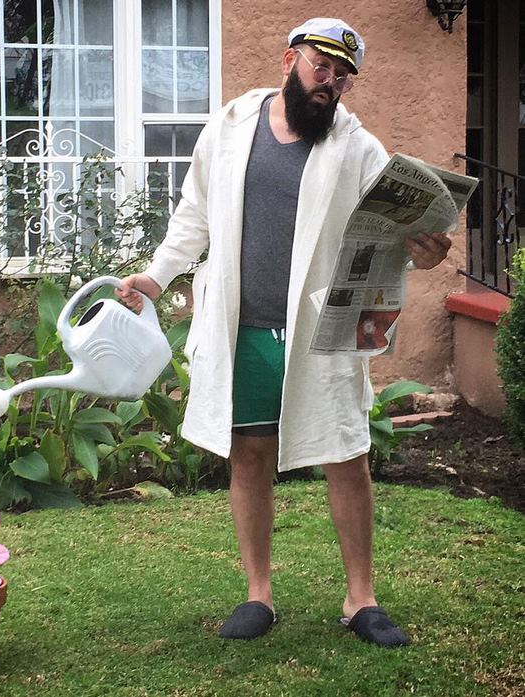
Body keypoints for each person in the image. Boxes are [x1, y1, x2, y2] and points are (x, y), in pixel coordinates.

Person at [116, 17, 451, 648]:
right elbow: (194, 214)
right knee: (249, 452)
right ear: (289, 60)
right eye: (321, 67)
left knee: (345, 454)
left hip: (322, 326)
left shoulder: (358, 148)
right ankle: (258, 594)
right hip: (240, 323)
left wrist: (422, 251)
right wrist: (156, 279)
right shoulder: (232, 126)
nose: (331, 83)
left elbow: (388, 239)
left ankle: (361, 599)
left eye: (343, 76)